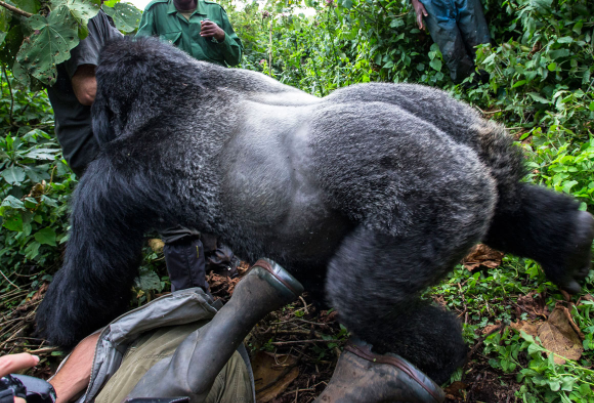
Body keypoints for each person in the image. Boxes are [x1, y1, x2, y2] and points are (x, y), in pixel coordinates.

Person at [136, 0, 242, 67]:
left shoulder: (215, 10)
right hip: (173, 85)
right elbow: (137, 54)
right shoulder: (155, 10)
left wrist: (221, 35)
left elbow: (235, 59)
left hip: (213, 84)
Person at [411, 0, 490, 83]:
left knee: (481, 43)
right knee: (453, 51)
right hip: (433, 4)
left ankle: (491, 81)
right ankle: (470, 87)